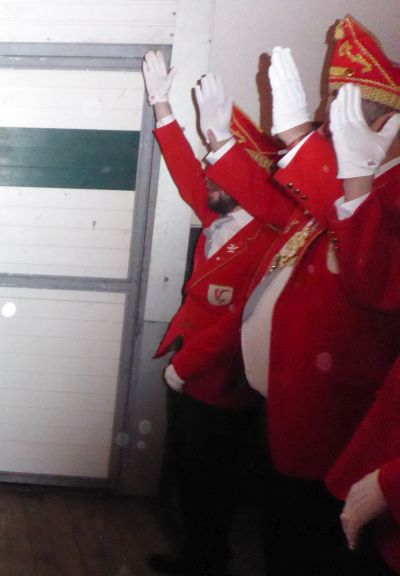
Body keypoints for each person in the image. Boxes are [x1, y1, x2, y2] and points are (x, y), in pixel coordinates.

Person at [199, 41, 400, 574]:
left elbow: (376, 276)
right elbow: (273, 204)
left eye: (340, 115)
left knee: (303, 546)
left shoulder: (385, 192)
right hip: (286, 400)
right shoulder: (348, 184)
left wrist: (298, 140)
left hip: (330, 417)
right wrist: (221, 142)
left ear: (385, 127)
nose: (328, 127)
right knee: (278, 533)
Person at [141, 51, 280, 576]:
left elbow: (241, 320)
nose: (208, 181)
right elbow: (183, 170)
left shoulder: (266, 237)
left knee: (211, 480)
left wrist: (185, 367)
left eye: (219, 176)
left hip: (221, 379)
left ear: (247, 181)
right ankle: (195, 555)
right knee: (189, 471)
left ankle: (205, 561)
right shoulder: (219, 212)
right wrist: (161, 106)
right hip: (192, 370)